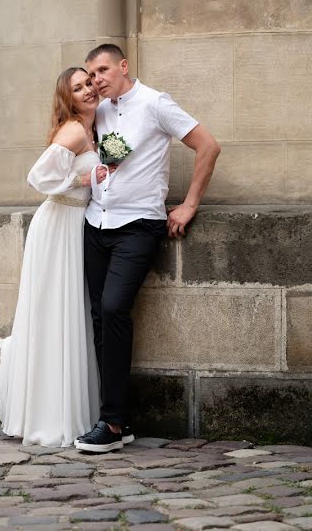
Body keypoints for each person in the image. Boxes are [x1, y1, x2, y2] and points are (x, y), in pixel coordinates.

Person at [74, 44, 221, 453]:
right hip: (95, 223)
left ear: (123, 66)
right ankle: (116, 418)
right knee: (99, 319)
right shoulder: (98, 111)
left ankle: (113, 423)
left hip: (138, 226)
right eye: (91, 74)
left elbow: (208, 146)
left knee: (114, 307)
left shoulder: (156, 103)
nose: (96, 79)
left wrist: (190, 204)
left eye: (102, 70)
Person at [0, 67, 112, 447]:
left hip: (74, 228)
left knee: (61, 317)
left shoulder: (94, 130)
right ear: (67, 98)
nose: (87, 90)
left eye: (89, 83)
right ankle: (2, 349)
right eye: (78, 88)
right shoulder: (75, 130)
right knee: (51, 314)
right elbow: (37, 176)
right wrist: (80, 181)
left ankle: (3, 348)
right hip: (57, 227)